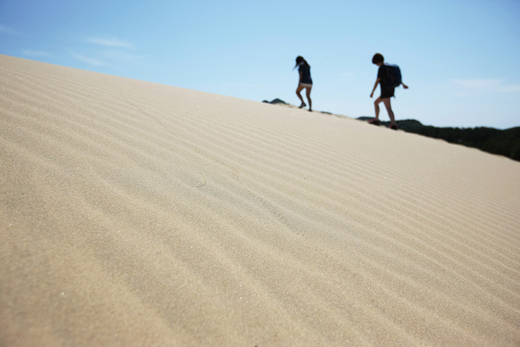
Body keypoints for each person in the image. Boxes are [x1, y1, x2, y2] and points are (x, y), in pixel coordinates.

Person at [369, 53, 408, 130]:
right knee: (376, 103)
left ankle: (393, 124)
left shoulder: (382, 68)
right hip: (390, 89)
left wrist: (372, 91)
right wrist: (403, 84)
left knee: (388, 108)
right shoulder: (388, 67)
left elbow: (377, 81)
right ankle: (378, 119)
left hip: (385, 90)